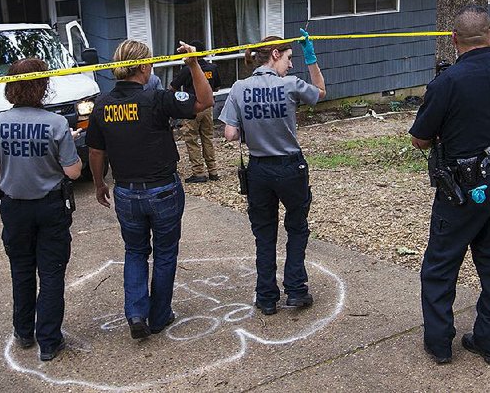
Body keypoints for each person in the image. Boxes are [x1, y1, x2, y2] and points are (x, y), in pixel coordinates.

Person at [409, 5, 490, 366]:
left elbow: (420, 139)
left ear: (454, 41)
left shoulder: (446, 83)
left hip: (462, 190)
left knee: (441, 264)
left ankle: (439, 343)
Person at [85, 39, 213, 339]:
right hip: (162, 190)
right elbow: (204, 102)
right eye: (150, 61)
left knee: (135, 251)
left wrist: (99, 182)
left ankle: (136, 313)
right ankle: (158, 316)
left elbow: (95, 151)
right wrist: (194, 64)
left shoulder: (102, 104)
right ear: (143, 66)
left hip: (126, 192)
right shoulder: (156, 98)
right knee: (165, 253)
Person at [0, 58, 83, 362]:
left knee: (21, 270)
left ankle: (23, 331)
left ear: (11, 87)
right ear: (43, 86)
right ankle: (49, 341)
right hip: (50, 205)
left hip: (14, 208)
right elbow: (74, 172)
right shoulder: (56, 124)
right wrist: (70, 146)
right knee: (51, 273)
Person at [219, 34, 325, 316]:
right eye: (290, 58)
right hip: (290, 167)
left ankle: (266, 297)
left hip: (259, 170)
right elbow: (320, 93)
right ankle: (296, 290)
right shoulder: (290, 85)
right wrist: (311, 57)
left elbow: (229, 134)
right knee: (297, 226)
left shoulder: (239, 88)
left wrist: (250, 126)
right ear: (275, 55)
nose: (291, 66)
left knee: (264, 234)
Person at [170, 41, 222, 183]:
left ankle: (198, 172)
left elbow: (173, 87)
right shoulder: (212, 67)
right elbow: (216, 88)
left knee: (191, 139)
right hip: (208, 108)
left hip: (192, 108)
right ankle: (213, 171)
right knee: (208, 138)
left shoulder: (187, 69)